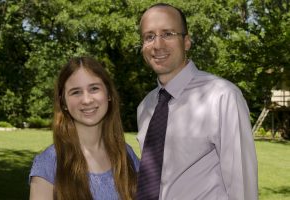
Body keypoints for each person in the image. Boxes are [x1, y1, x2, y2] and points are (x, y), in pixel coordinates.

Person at [136, 3, 258, 200]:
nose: (157, 45)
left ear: (186, 42)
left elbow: (242, 186)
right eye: (149, 36)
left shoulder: (222, 96)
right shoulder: (145, 106)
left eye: (167, 34)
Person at [29, 56, 139, 200]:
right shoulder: (49, 163)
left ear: (109, 94)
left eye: (94, 88)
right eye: (76, 92)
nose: (87, 100)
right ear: (63, 103)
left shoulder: (126, 155)